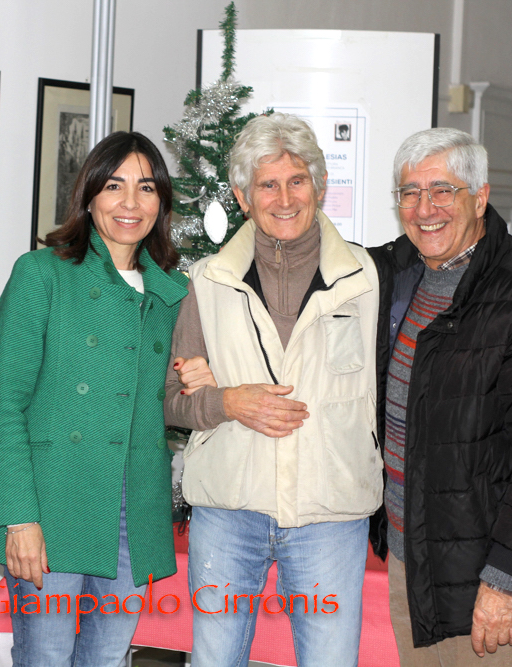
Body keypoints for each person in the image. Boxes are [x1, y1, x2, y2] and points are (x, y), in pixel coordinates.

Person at [164, 112, 382, 667]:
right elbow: (170, 398)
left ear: (320, 186)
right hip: (228, 512)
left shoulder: (369, 278)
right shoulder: (207, 281)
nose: (284, 199)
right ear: (242, 197)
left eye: (297, 180)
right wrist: (227, 401)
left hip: (331, 513)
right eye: (267, 185)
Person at [368, 127, 512, 664]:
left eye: (443, 190)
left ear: (480, 197)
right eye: (410, 192)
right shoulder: (397, 272)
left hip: (481, 581)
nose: (425, 209)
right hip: (410, 561)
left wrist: (503, 581)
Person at [0, 131, 188, 666]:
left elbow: (171, 401)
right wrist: (20, 519)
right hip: (53, 503)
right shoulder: (42, 274)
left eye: (146, 188)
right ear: (89, 196)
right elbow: (5, 404)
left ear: (161, 202)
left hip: (134, 507)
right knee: (45, 656)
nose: (130, 203)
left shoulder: (172, 293)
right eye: (114, 186)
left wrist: (197, 377)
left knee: (108, 658)